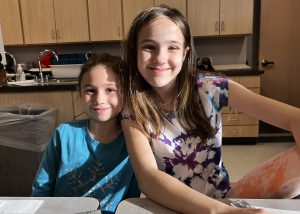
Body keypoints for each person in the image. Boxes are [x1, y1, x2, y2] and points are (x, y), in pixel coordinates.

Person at [120, 5, 300, 214]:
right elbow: (148, 178)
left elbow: (294, 118)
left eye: (172, 47)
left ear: (186, 52)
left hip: (224, 199)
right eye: (149, 47)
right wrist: (218, 212)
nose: (160, 58)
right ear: (134, 51)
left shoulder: (211, 88)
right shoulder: (133, 107)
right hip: (172, 204)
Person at [32, 53, 140, 214]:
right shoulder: (64, 134)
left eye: (110, 89)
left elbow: (133, 199)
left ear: (125, 93)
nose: (99, 99)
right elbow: (41, 190)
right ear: (80, 94)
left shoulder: (134, 141)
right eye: (90, 90)